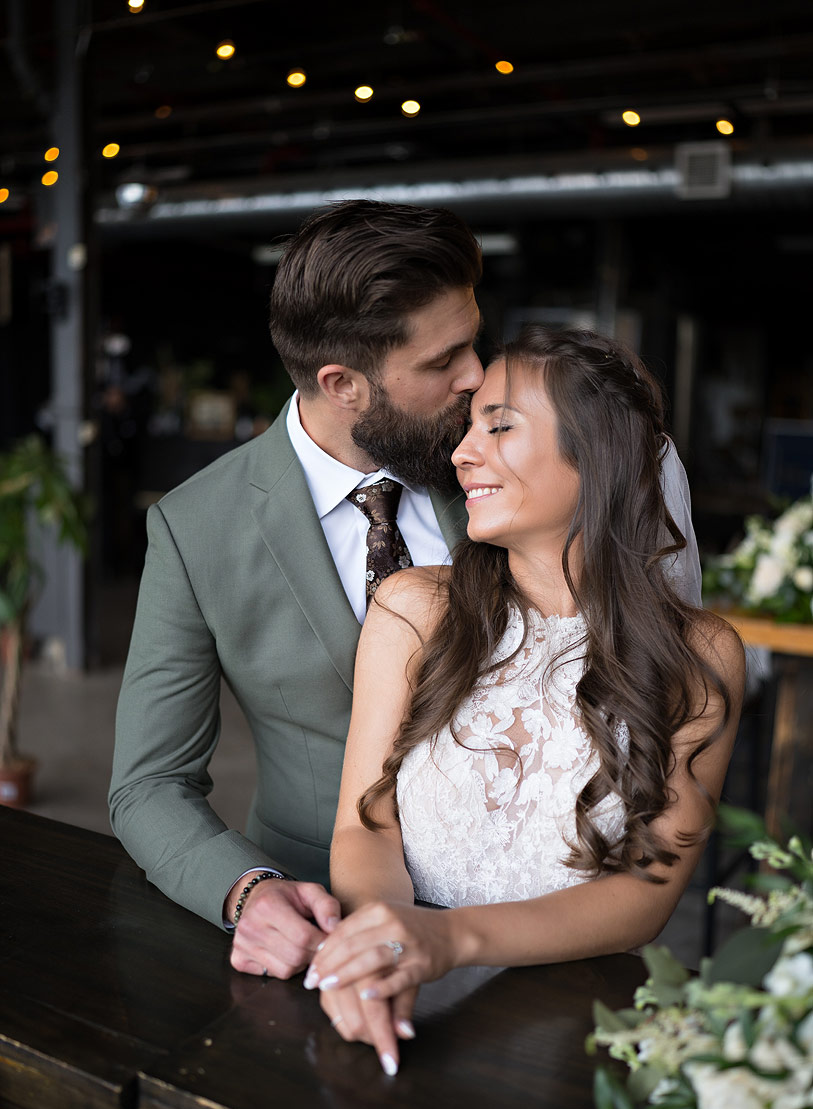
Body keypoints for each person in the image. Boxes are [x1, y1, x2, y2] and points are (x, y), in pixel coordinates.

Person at [109, 200, 701, 983]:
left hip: (549, 928)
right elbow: (149, 783)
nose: (475, 376)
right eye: (441, 361)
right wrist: (247, 892)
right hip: (322, 918)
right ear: (342, 383)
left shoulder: (520, 469)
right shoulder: (196, 528)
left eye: (473, 342)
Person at [305, 326, 745, 1076]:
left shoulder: (698, 657)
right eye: (468, 427)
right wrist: (389, 942)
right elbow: (363, 828)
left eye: (499, 427)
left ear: (594, 454)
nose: (461, 453)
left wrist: (453, 941)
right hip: (402, 991)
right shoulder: (414, 610)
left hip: (580, 1033)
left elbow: (645, 891)